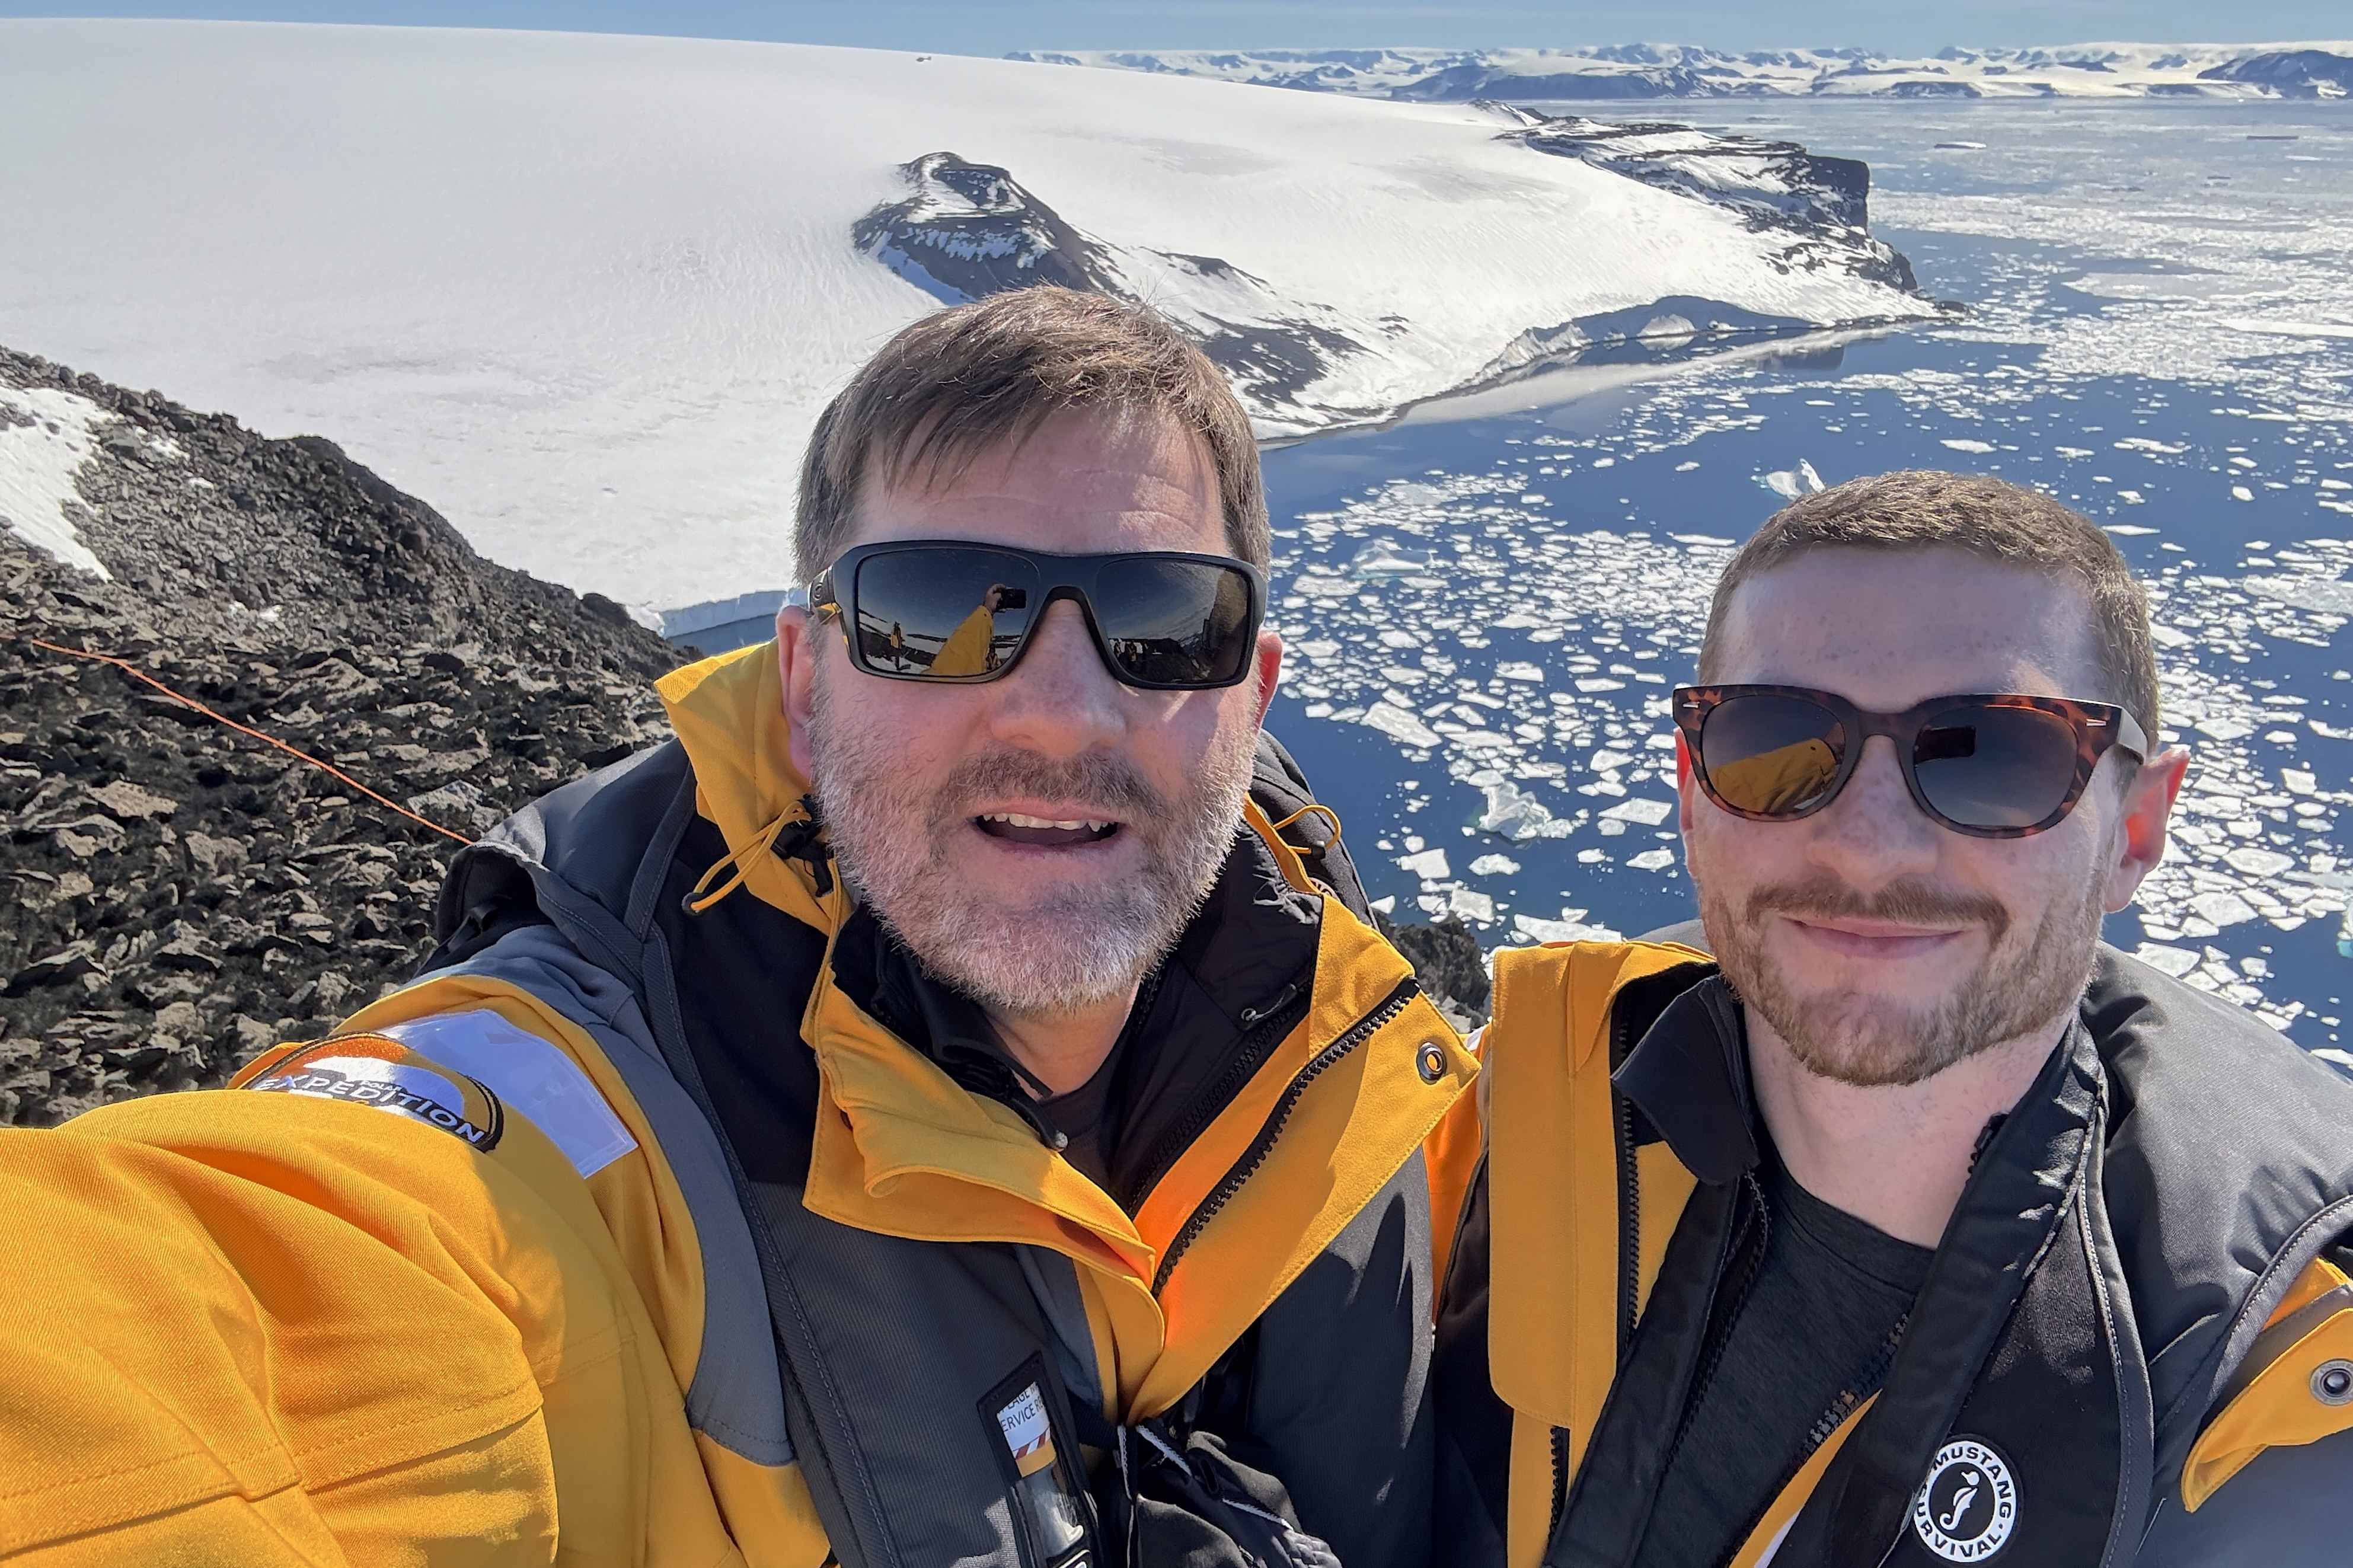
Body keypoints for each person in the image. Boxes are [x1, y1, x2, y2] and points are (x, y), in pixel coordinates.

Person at [0, 288, 1475, 1566]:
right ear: (805, 675)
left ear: (1252, 688)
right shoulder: (593, 1124)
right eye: (942, 614)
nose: (1059, 706)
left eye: (1163, 621)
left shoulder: (1384, 1065)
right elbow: (239, 1326)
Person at [1431, 471, 2353, 1566]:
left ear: (2136, 826)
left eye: (1995, 751)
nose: (1865, 845)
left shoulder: (2273, 1386)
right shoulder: (1498, 1126)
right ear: (1691, 793)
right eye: (1775, 746)